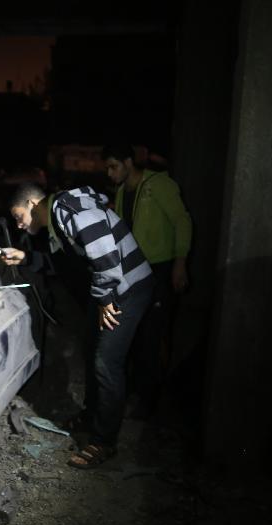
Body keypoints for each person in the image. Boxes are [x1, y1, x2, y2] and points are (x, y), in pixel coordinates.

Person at [0, 184, 153, 468]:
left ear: (33, 203)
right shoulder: (57, 224)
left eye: (19, 216)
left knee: (107, 362)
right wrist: (26, 258)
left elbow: (105, 254)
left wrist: (106, 297)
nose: (18, 224)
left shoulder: (71, 209)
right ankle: (91, 417)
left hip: (128, 288)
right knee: (92, 349)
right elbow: (63, 265)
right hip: (110, 288)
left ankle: (104, 442)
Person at [102, 141, 193, 419]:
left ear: (129, 163)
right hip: (134, 273)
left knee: (153, 335)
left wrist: (180, 262)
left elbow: (182, 220)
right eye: (108, 167)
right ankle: (139, 393)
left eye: (114, 166)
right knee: (138, 334)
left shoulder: (158, 186)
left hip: (160, 268)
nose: (110, 173)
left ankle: (150, 402)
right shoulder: (120, 192)